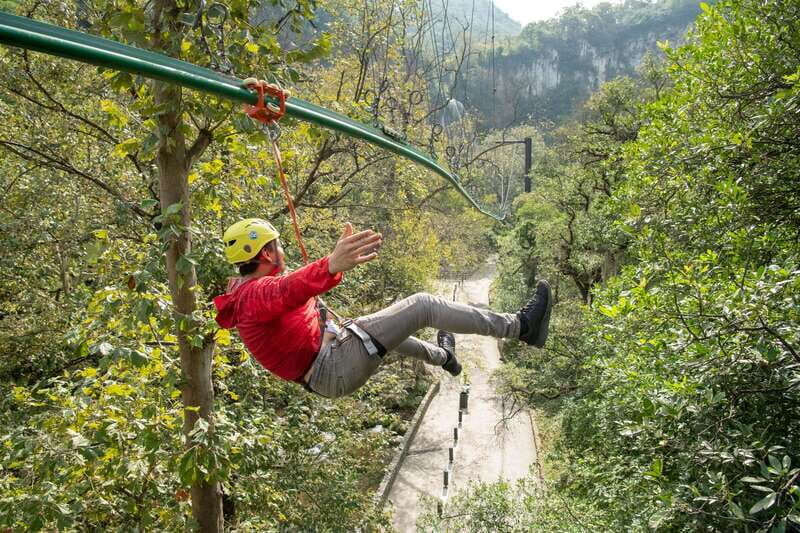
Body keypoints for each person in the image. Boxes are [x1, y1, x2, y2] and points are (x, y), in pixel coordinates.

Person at [213, 218, 553, 399]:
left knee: (385, 333)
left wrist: (329, 267)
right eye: (278, 245)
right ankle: (520, 326)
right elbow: (288, 288)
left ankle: (444, 357)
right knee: (423, 306)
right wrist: (330, 263)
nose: (282, 249)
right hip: (332, 367)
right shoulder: (255, 296)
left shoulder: (250, 292)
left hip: (331, 359)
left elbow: (286, 287)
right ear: (267, 254)